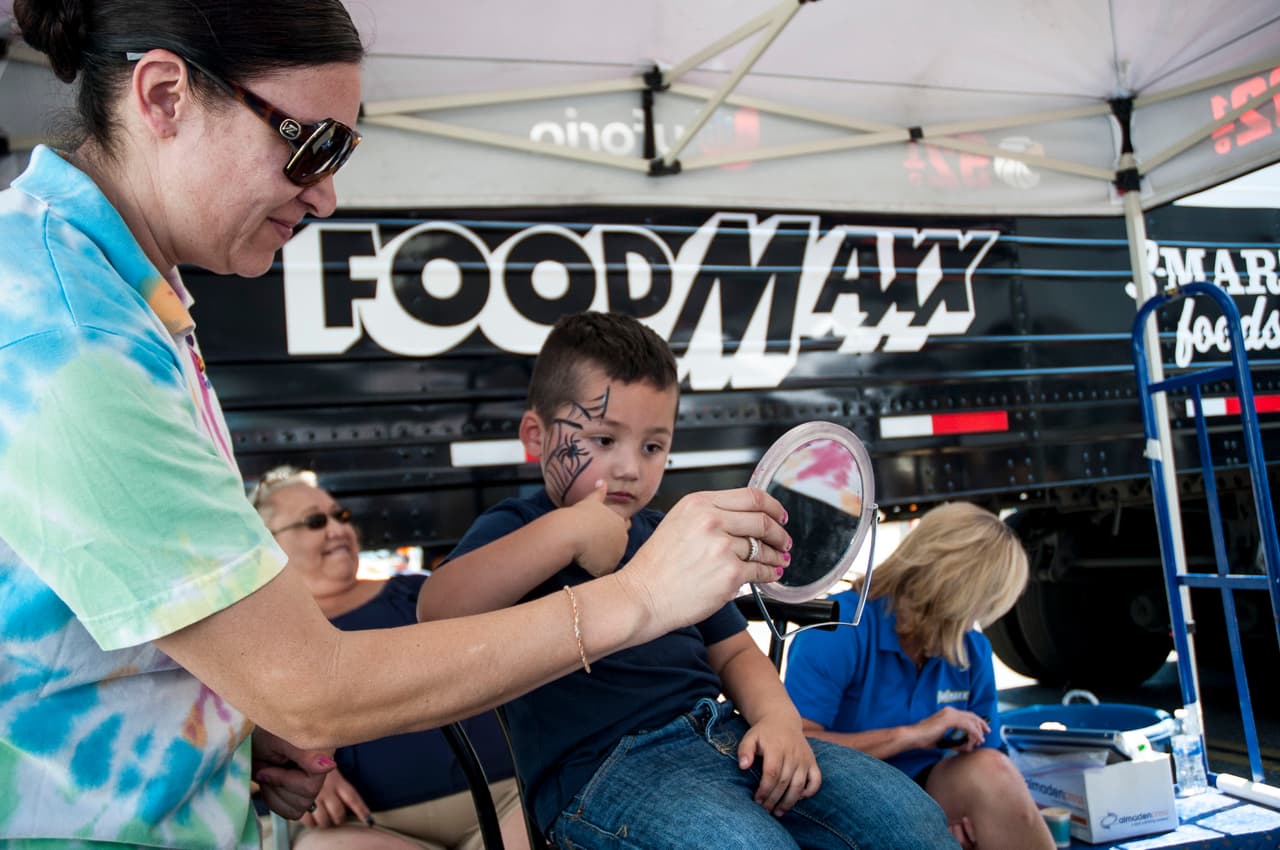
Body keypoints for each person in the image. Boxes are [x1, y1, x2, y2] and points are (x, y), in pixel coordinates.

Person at [0, 3, 791, 847]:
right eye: (311, 145)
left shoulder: (120, 299)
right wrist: (638, 597)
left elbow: (109, 617)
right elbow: (313, 683)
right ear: (164, 96)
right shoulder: (66, 332)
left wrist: (228, 718)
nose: (327, 194)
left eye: (342, 152)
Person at [419, 311, 958, 850]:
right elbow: (437, 611)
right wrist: (565, 532)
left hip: (723, 735)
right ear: (536, 437)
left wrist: (778, 720)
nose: (631, 468)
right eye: (605, 439)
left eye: (653, 446)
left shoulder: (667, 534)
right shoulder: (516, 529)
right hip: (601, 775)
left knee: (912, 822)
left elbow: (734, 654)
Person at [250, 467, 530, 850]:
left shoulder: (418, 592)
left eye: (340, 516)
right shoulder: (255, 633)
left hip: (504, 802)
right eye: (315, 522)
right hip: (358, 829)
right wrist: (294, 763)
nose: (337, 529)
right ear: (265, 543)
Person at [784, 502, 1055, 850]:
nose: (982, 618)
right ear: (955, 592)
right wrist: (912, 736)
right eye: (984, 603)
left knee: (993, 772)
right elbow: (795, 747)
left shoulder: (971, 649)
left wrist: (970, 818)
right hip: (837, 794)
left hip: (925, 788)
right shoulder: (838, 630)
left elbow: (989, 759)